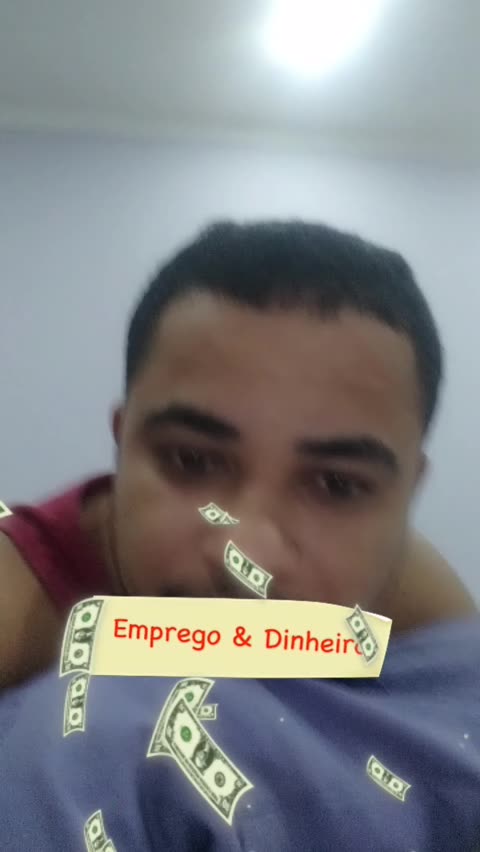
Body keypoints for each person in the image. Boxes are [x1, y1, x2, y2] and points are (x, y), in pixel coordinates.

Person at [0, 220, 479, 850]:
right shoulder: (15, 609)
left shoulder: (416, 604)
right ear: (123, 442)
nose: (246, 554)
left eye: (336, 485)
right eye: (192, 461)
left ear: (405, 494)